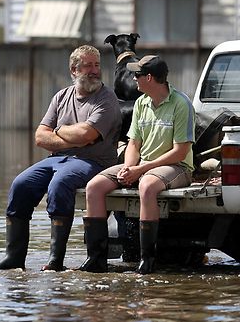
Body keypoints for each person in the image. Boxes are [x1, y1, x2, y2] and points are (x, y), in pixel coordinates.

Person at [0, 45, 121, 271]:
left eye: (97, 65)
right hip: (56, 159)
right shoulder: (61, 96)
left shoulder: (106, 99)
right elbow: (40, 136)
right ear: (74, 70)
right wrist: (70, 135)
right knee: (20, 184)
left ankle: (55, 261)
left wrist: (58, 131)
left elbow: (87, 135)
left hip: (94, 162)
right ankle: (14, 258)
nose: (95, 70)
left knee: (60, 183)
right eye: (88, 65)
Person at [78, 55, 195, 274]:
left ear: (149, 78)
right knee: (94, 187)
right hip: (142, 164)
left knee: (147, 186)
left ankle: (147, 260)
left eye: (137, 75)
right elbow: (133, 143)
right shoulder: (141, 103)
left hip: (177, 166)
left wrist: (140, 170)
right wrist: (128, 167)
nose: (133, 78)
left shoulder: (181, 103)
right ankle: (96, 259)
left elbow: (180, 152)